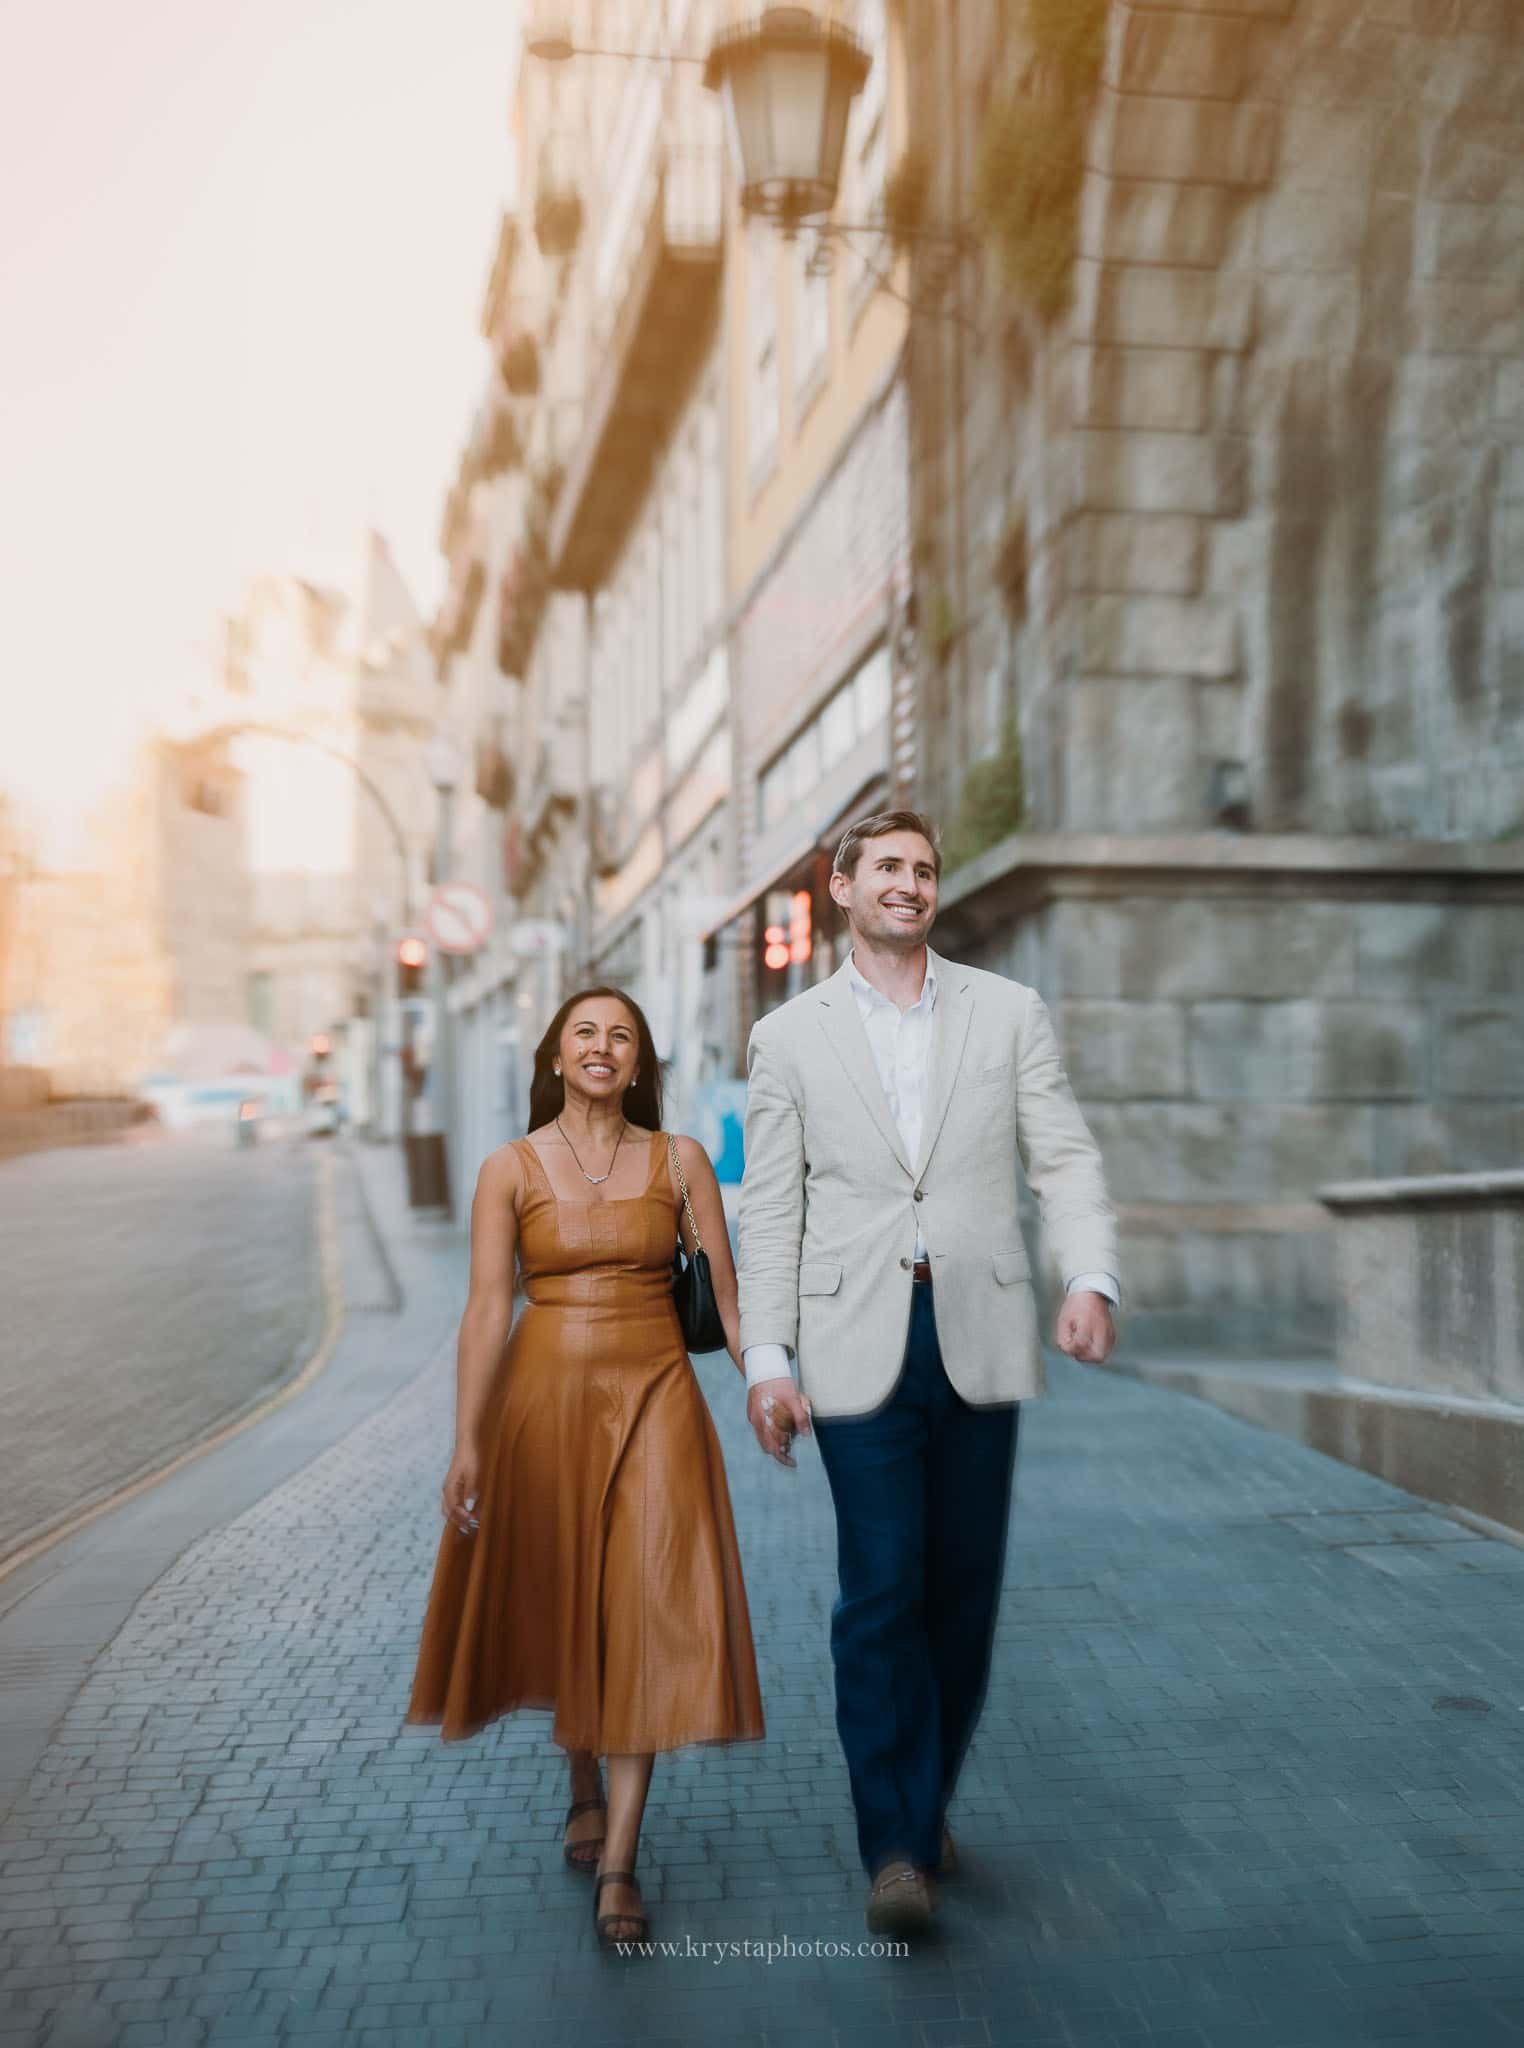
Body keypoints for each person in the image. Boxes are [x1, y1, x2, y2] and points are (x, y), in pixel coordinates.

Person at [737, 810, 1118, 1936]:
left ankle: (928, 1792)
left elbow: (1063, 1154)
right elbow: (772, 1211)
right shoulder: (788, 1036)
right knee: (884, 1587)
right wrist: (767, 1359)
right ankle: (895, 1844)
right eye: (888, 867)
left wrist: (1088, 1271)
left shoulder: (1008, 1012)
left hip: (980, 1333)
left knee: (962, 1594)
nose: (910, 883)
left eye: (924, 869)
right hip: (853, 1342)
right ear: (842, 887)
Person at [404, 986, 764, 1951]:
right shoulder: (507, 1169)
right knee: (569, 1597)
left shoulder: (680, 1162)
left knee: (641, 1606)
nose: (603, 1049)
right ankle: (580, 1784)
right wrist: (467, 1441)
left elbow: (728, 1302)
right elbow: (487, 1311)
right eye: (584, 1035)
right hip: (541, 1407)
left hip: (655, 1401)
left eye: (622, 1037)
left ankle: (620, 1864)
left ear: (641, 1063)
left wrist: (768, 1382)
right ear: (556, 1058)